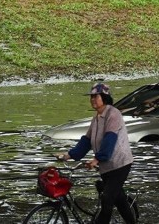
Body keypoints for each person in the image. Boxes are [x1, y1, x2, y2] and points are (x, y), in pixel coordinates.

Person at [56, 83, 135, 224]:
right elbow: (86, 141)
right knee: (119, 199)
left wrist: (96, 159)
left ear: (104, 97)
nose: (92, 99)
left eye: (95, 96)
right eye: (91, 97)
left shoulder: (113, 114)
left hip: (120, 164)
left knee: (107, 200)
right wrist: (68, 155)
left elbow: (109, 139)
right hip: (105, 166)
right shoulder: (97, 118)